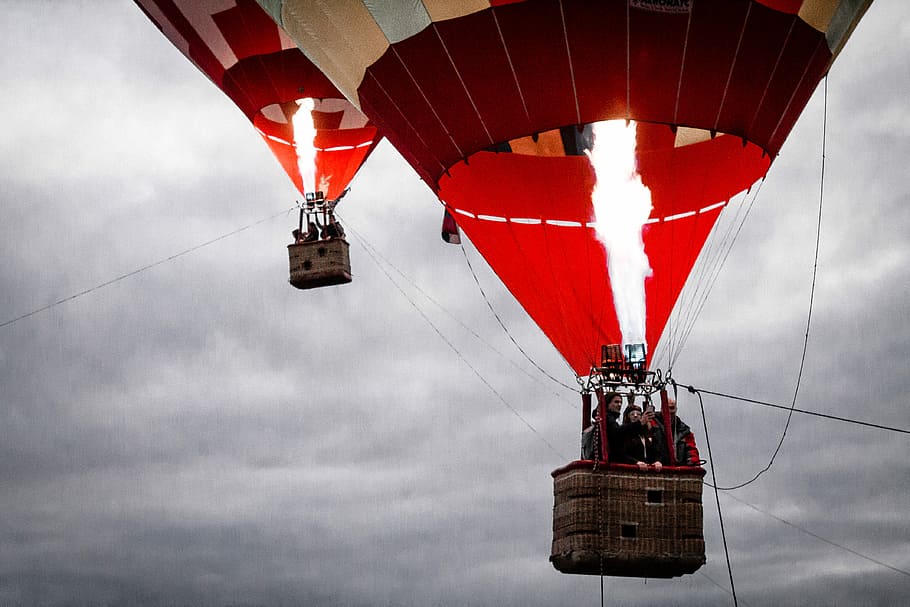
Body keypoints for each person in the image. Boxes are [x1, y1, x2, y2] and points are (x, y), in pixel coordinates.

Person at [653, 397, 700, 466]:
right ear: (661, 409)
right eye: (667, 408)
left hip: (677, 468)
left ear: (676, 410)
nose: (669, 411)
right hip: (657, 466)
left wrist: (693, 462)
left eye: (672, 408)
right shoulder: (652, 423)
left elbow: (691, 449)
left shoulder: (684, 430)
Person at [580, 392, 625, 462]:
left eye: (620, 402)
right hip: (605, 459)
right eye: (616, 402)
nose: (619, 405)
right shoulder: (606, 419)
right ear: (607, 404)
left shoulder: (609, 420)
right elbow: (617, 432)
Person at [621, 404, 662, 470]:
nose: (635, 415)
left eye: (638, 414)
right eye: (632, 414)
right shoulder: (624, 433)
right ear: (628, 417)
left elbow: (657, 450)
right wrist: (636, 462)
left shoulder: (648, 433)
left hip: (648, 468)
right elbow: (622, 454)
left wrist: (658, 461)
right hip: (631, 469)